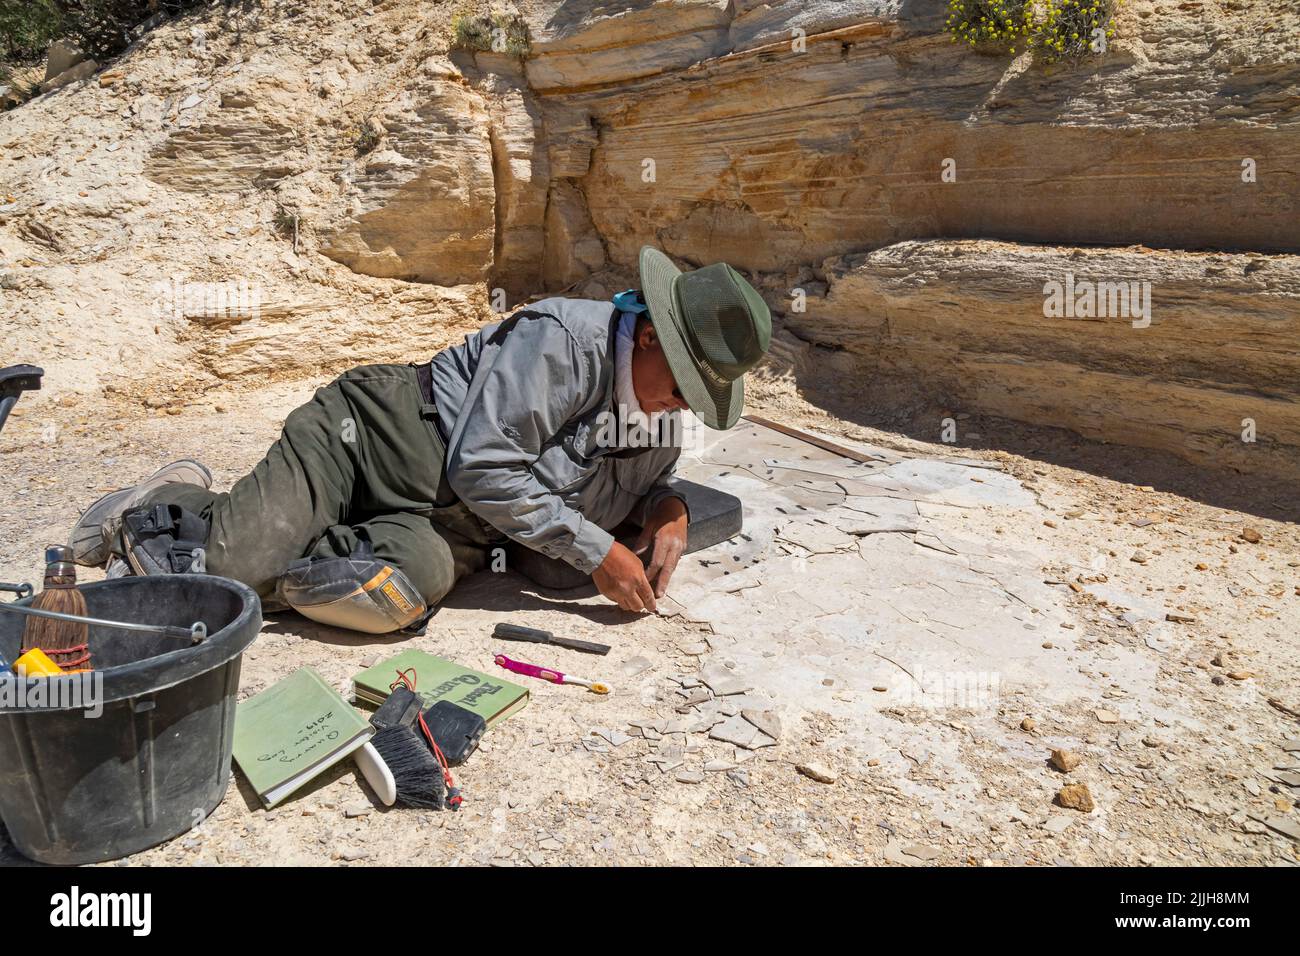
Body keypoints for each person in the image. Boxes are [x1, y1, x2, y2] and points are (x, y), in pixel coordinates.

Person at [70, 246, 771, 633]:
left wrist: (667, 509)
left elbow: (643, 488)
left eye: (696, 401)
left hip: (448, 522)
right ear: (648, 336)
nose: (678, 411)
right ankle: (171, 506)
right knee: (222, 577)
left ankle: (255, 545)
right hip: (368, 440)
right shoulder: (562, 340)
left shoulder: (655, 415)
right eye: (682, 388)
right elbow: (488, 468)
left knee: (394, 595)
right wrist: (595, 548)